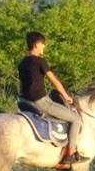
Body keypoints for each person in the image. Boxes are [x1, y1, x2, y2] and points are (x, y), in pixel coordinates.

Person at [18, 31, 84, 164]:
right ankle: (70, 153)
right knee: (76, 119)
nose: (44, 47)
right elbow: (55, 82)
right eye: (43, 44)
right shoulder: (40, 61)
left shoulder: (22, 63)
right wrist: (66, 96)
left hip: (25, 101)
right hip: (40, 101)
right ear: (36, 44)